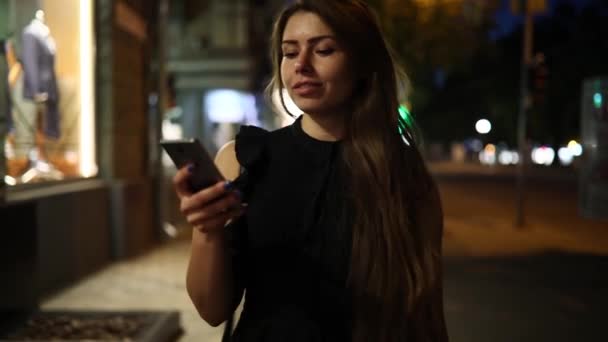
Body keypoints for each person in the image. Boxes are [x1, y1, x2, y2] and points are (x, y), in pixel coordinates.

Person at [173, 1, 448, 341]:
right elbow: (211, 311)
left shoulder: (403, 173)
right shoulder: (244, 158)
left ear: (362, 62)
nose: (302, 65)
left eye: (324, 50)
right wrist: (207, 231)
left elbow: (426, 313)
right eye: (289, 53)